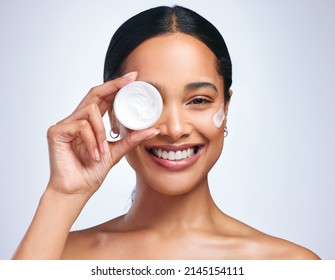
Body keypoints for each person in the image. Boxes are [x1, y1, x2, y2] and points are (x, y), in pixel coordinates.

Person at [12, 5, 319, 260]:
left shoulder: (290, 265)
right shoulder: (56, 259)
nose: (174, 130)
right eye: (147, 101)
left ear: (226, 109)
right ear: (115, 115)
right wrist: (62, 196)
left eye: (198, 100)